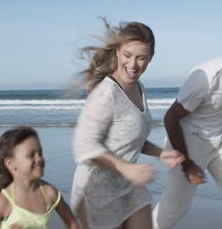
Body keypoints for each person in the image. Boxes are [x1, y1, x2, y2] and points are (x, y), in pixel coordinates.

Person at [71, 18, 185, 229]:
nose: (133, 65)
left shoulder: (139, 88)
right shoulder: (106, 93)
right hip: (96, 191)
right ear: (117, 53)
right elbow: (84, 146)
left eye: (141, 58)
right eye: (127, 55)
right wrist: (127, 169)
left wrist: (161, 153)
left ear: (150, 58)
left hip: (128, 186)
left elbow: (127, 138)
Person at [152, 34, 222, 229]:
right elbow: (170, 118)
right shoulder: (205, 78)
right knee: (174, 208)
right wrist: (187, 164)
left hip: (219, 140)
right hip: (187, 141)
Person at [0, 126, 78, 229]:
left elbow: (72, 223)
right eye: (31, 155)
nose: (39, 159)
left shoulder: (49, 193)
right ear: (10, 163)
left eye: (40, 153)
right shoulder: (4, 201)